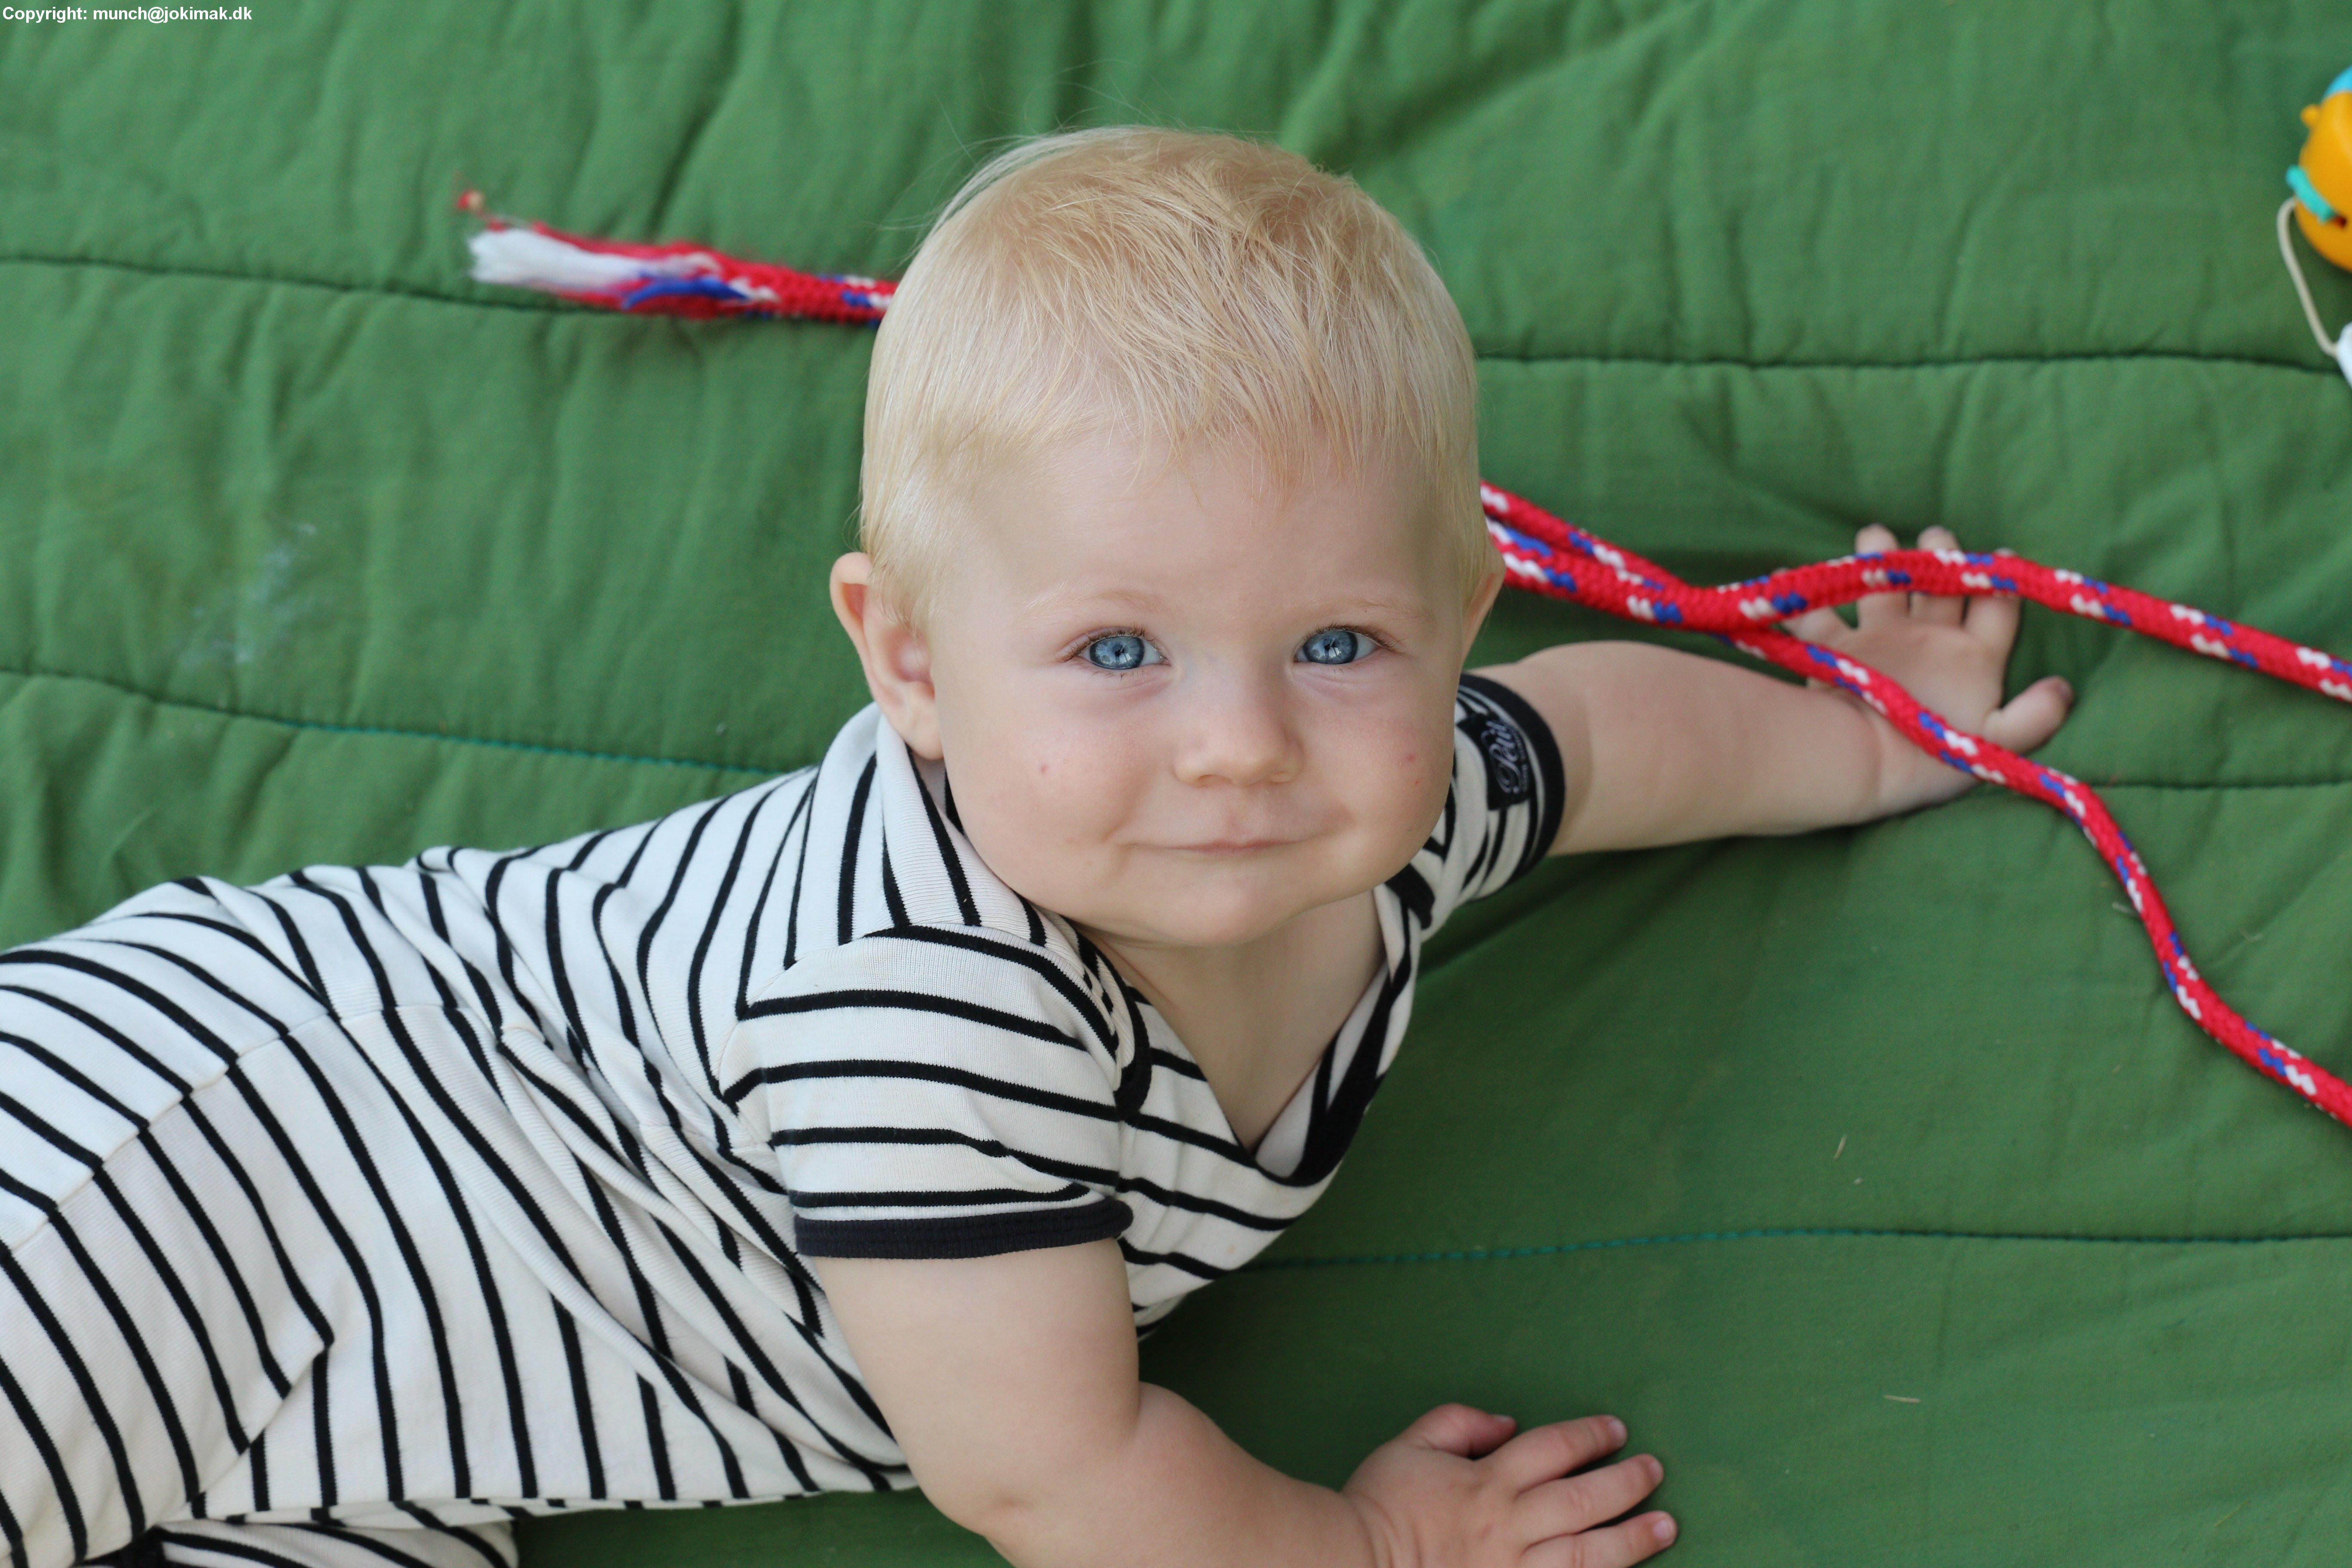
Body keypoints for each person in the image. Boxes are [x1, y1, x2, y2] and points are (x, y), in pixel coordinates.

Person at [0, 126, 2072, 1568]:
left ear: (1458, 619)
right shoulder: (924, 1015)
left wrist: (1867, 736)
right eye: (1116, 652)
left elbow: (1604, 748)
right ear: (909, 661)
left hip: (411, 1403)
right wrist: (1369, 1545)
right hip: (214, 1151)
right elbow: (1054, 1475)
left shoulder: (1401, 792)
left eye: (1338, 642)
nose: (1240, 745)